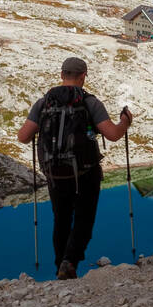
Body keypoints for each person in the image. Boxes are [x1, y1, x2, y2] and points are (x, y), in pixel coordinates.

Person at [17, 56, 132, 279]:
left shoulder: (44, 103)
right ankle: (70, 262)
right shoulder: (90, 102)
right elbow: (113, 134)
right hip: (85, 172)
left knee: (61, 218)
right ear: (83, 76)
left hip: (55, 173)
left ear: (61, 75)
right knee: (84, 218)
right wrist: (125, 121)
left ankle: (60, 264)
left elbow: (23, 137)